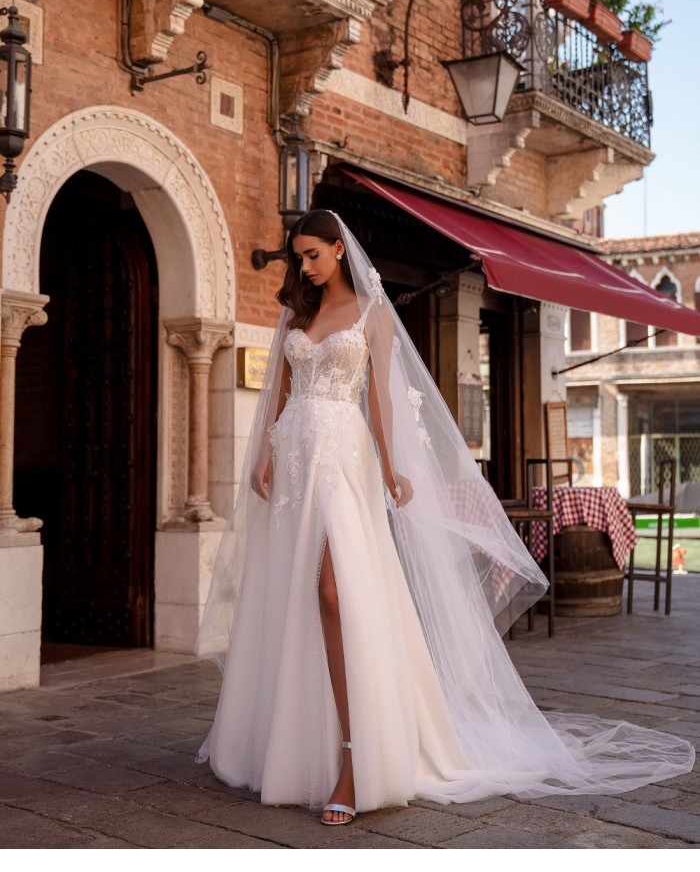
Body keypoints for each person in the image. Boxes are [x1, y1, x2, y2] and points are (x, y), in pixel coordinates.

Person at [195, 210, 694, 825]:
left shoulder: (374, 315)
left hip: (341, 462)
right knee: (295, 597)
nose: (303, 266)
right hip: (295, 458)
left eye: (312, 255)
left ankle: (357, 757)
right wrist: (266, 452)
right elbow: (277, 392)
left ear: (339, 252)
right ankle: (293, 747)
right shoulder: (297, 313)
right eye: (298, 256)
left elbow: (378, 397)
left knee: (334, 593)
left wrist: (391, 468)